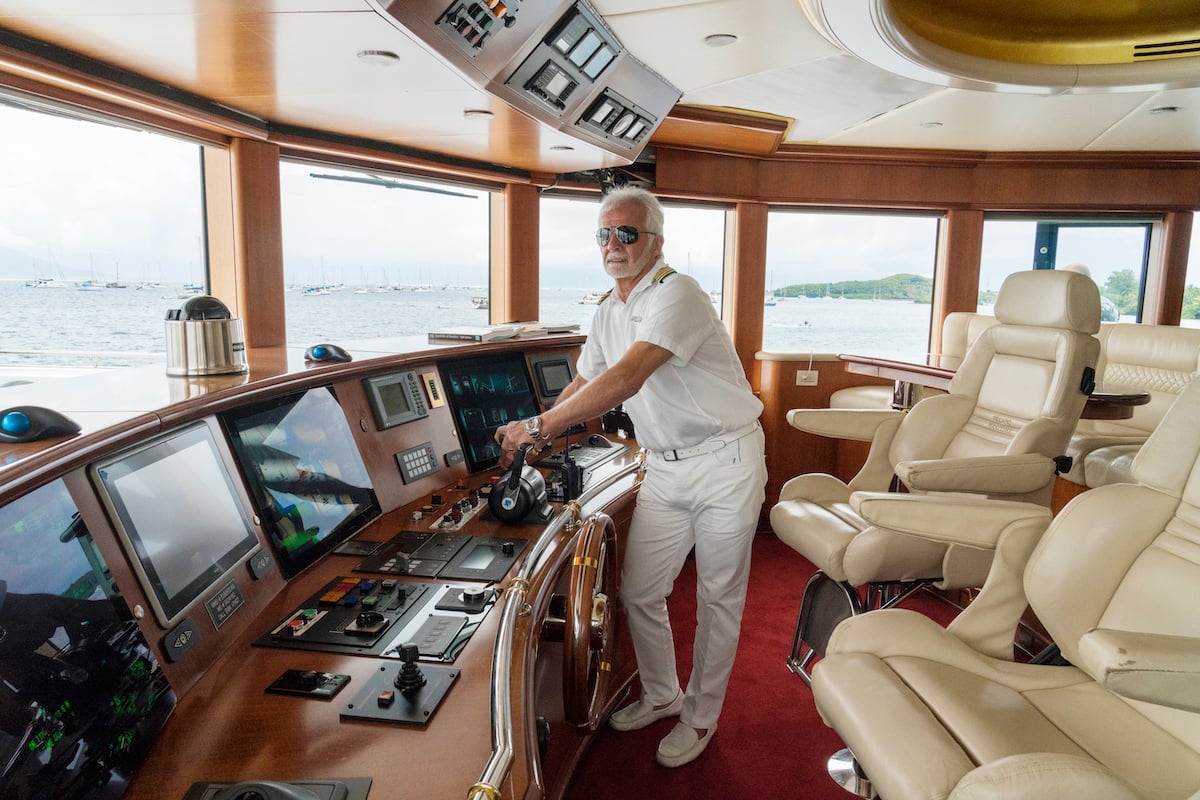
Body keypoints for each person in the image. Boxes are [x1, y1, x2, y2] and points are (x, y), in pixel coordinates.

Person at [493, 186, 767, 767]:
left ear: (656, 243)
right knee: (638, 591)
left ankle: (700, 716)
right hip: (663, 465)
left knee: (718, 598)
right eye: (605, 234)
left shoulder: (679, 294)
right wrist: (535, 434)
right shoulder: (607, 310)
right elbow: (586, 383)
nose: (613, 244)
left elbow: (628, 377)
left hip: (725, 461)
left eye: (627, 233)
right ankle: (664, 694)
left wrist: (538, 427)